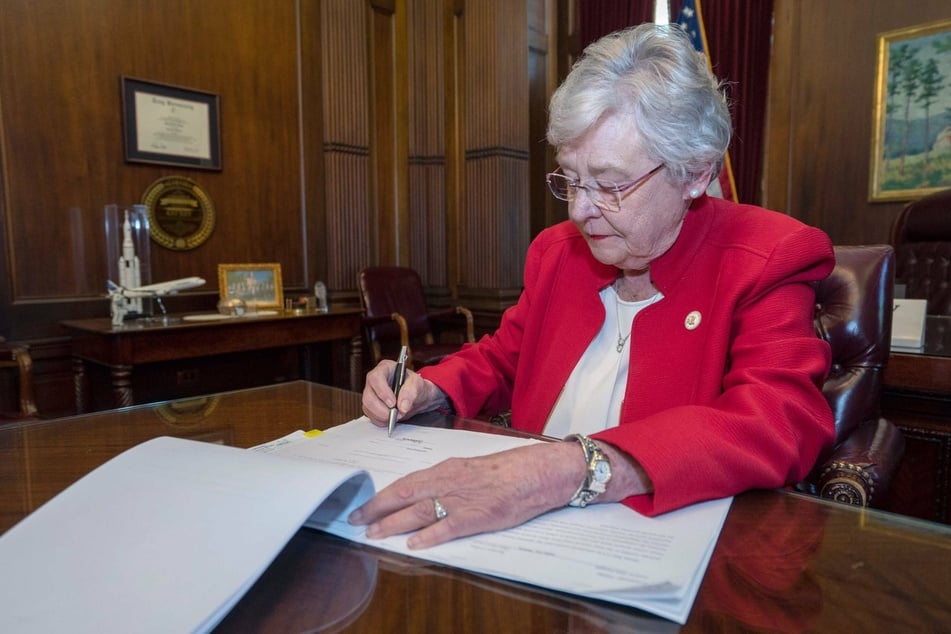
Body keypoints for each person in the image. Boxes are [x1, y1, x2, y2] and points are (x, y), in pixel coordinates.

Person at [350, 24, 835, 550]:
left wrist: (568, 467)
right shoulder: (558, 252)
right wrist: (430, 388)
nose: (580, 210)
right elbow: (505, 358)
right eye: (571, 179)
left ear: (695, 173)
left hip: (666, 548)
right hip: (526, 537)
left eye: (609, 184)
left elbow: (779, 422)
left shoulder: (769, 256)